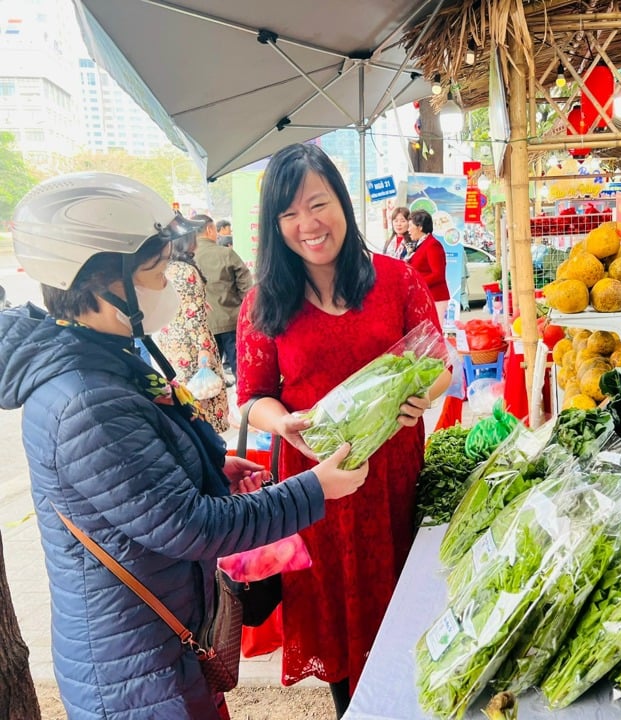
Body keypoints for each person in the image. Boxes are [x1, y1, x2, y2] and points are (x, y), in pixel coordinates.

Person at [0, 171, 369, 719]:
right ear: (99, 281)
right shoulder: (85, 401)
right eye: (152, 272)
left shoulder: (101, 357)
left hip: (159, 648)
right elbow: (193, 526)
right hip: (134, 677)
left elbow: (140, 488)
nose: (166, 284)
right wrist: (312, 490)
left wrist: (210, 465)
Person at [235, 143, 451, 718]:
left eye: (317, 203)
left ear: (343, 203)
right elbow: (252, 397)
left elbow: (440, 366)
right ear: (274, 225)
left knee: (405, 621)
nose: (307, 224)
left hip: (392, 486)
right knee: (337, 632)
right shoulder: (263, 303)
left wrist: (419, 399)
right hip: (316, 492)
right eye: (289, 214)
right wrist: (282, 421)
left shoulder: (397, 279)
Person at [154, 231, 231, 432]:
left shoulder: (164, 269)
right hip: (192, 346)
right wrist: (204, 350)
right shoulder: (186, 271)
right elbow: (194, 317)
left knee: (184, 400)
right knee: (205, 399)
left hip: (170, 343)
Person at [192, 214, 253, 384]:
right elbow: (246, 286)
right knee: (241, 369)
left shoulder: (188, 259)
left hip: (204, 327)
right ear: (210, 229)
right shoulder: (226, 253)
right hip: (232, 320)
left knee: (209, 376)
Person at [407, 209, 450, 322]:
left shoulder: (432, 245)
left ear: (420, 227)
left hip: (436, 297)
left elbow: (438, 274)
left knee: (435, 334)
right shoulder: (421, 244)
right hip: (426, 296)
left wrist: (416, 283)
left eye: (410, 226)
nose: (408, 230)